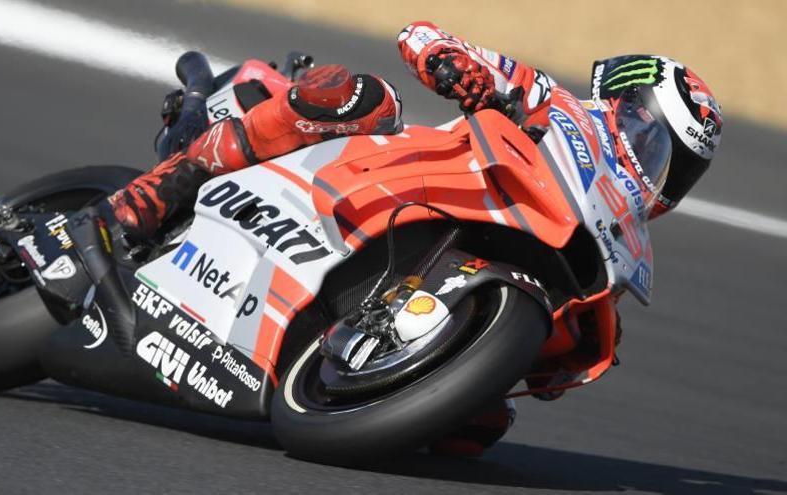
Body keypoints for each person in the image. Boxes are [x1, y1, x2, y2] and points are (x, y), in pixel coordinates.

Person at [103, 20, 724, 456]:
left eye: (678, 165)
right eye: (654, 133)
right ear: (625, 99)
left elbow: (546, 381)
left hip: (466, 256)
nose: (656, 162)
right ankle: (159, 189)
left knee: (474, 430)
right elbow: (421, 35)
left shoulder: (620, 227)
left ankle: (345, 357)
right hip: (385, 176)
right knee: (362, 96)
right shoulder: (549, 100)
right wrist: (455, 66)